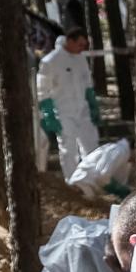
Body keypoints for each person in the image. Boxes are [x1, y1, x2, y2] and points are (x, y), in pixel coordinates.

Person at [36, 25, 101, 179]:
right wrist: (48, 113)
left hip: (83, 110)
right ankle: (72, 182)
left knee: (91, 146)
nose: (82, 48)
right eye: (80, 44)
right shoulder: (50, 61)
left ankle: (92, 181)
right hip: (63, 112)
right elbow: (42, 90)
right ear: (70, 41)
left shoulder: (80, 59)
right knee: (68, 150)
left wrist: (92, 104)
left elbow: (87, 83)